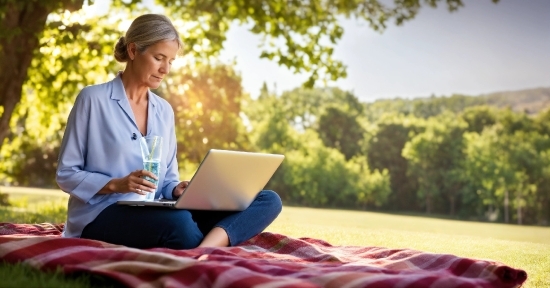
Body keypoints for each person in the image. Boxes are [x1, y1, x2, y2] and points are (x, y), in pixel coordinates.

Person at [56, 14, 282, 249]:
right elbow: (66, 173)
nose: (165, 69)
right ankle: (208, 243)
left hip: (155, 210)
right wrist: (116, 184)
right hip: (100, 215)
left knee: (267, 200)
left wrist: (176, 188)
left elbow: (166, 180)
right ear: (133, 51)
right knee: (180, 223)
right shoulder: (93, 99)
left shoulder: (163, 111)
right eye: (158, 58)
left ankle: (205, 249)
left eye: (171, 61)